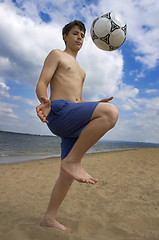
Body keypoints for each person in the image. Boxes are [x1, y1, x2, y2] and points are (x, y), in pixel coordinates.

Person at [36, 20, 118, 232]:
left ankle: (49, 218)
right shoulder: (57, 54)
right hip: (58, 110)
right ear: (65, 36)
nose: (79, 37)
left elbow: (78, 101)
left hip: (72, 115)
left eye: (82, 35)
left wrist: (95, 104)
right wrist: (45, 100)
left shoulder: (82, 72)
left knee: (66, 177)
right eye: (75, 33)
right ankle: (74, 161)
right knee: (111, 113)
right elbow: (42, 82)